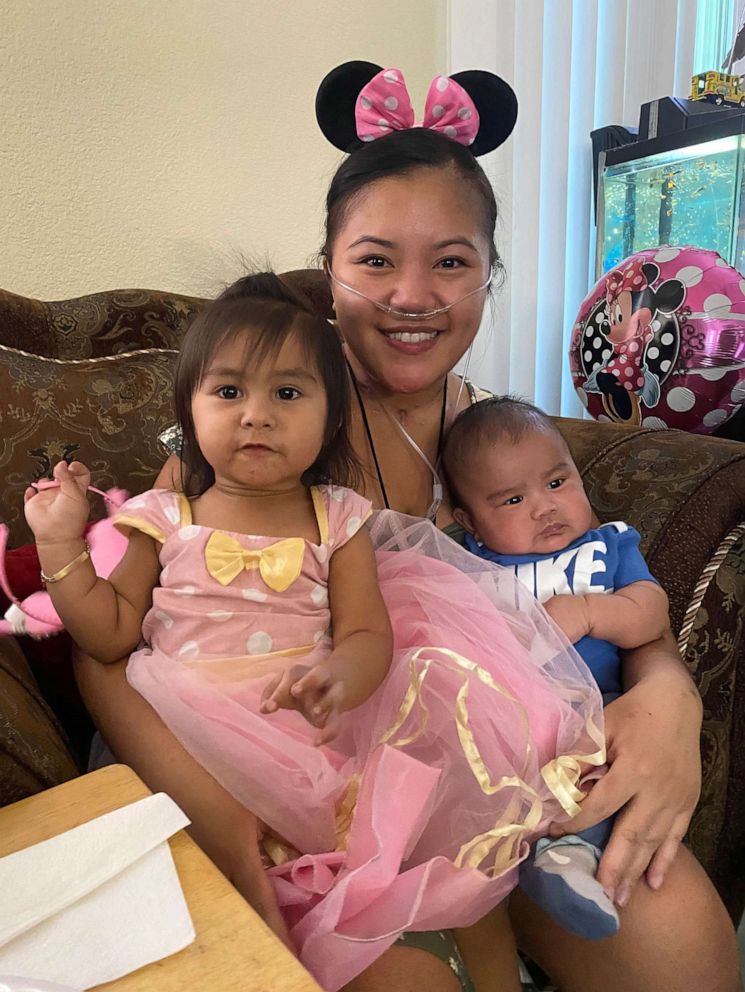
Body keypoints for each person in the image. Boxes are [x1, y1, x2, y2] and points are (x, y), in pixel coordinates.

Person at [72, 61, 740, 992]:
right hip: (275, 779)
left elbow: (580, 580)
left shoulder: (497, 443)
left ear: (489, 273)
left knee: (688, 957)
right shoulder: (258, 429)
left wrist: (670, 694)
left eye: (452, 262)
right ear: (329, 268)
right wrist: (220, 818)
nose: (412, 296)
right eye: (376, 259)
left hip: (492, 771)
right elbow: (106, 643)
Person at [25, 275, 603, 991]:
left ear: (330, 420)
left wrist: (344, 678)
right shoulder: (164, 514)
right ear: (189, 410)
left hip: (310, 730)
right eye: (229, 392)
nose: (256, 417)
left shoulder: (339, 517)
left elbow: (366, 633)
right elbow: (108, 634)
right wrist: (59, 549)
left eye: (288, 394)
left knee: (418, 862)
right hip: (190, 733)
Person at [441, 395, 673, 941]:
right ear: (468, 523)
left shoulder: (605, 546)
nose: (544, 508)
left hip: (596, 708)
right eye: (513, 499)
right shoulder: (477, 570)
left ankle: (567, 860)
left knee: (606, 770)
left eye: (556, 482)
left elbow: (651, 614)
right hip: (511, 724)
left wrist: (591, 611)